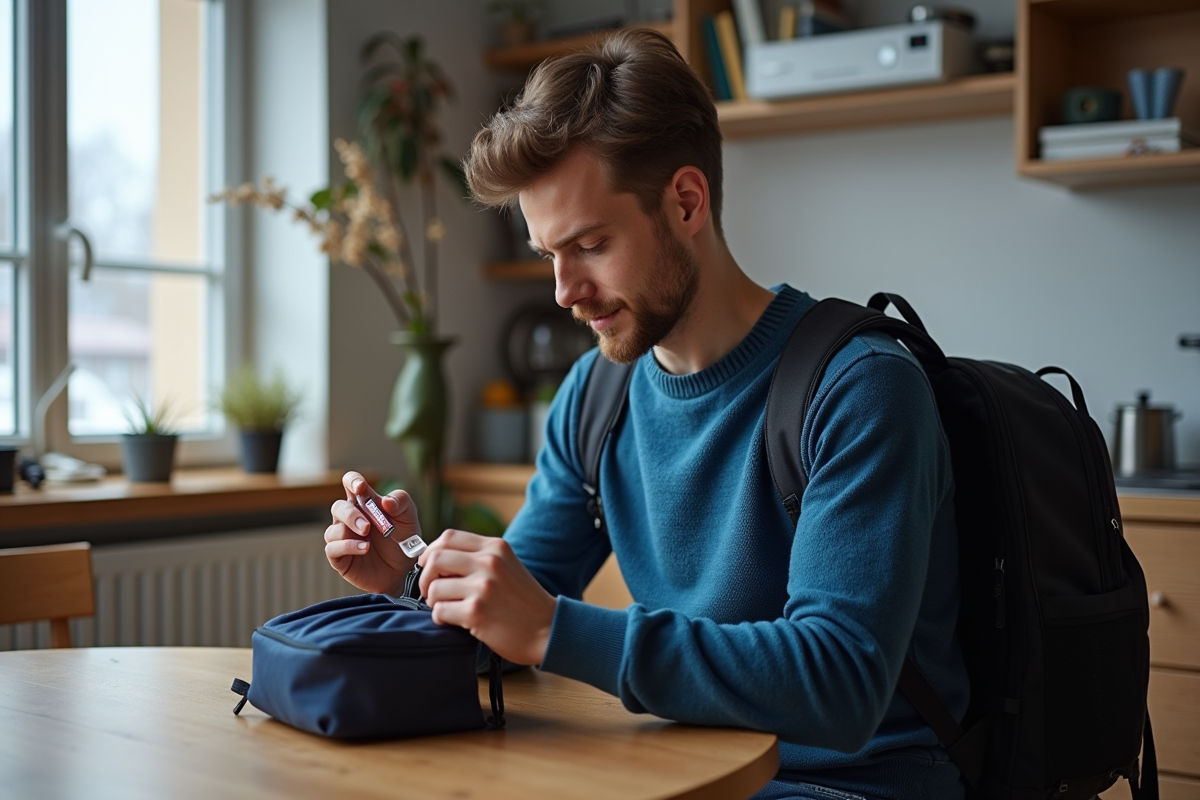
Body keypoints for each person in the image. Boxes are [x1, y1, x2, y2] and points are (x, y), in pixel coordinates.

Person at [324, 28, 968, 800]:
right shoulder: (595, 398)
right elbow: (511, 619)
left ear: (686, 202)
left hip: (855, 785)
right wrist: (416, 577)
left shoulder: (858, 389)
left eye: (590, 244)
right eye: (547, 255)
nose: (563, 291)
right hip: (678, 770)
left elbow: (840, 685)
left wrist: (551, 630)